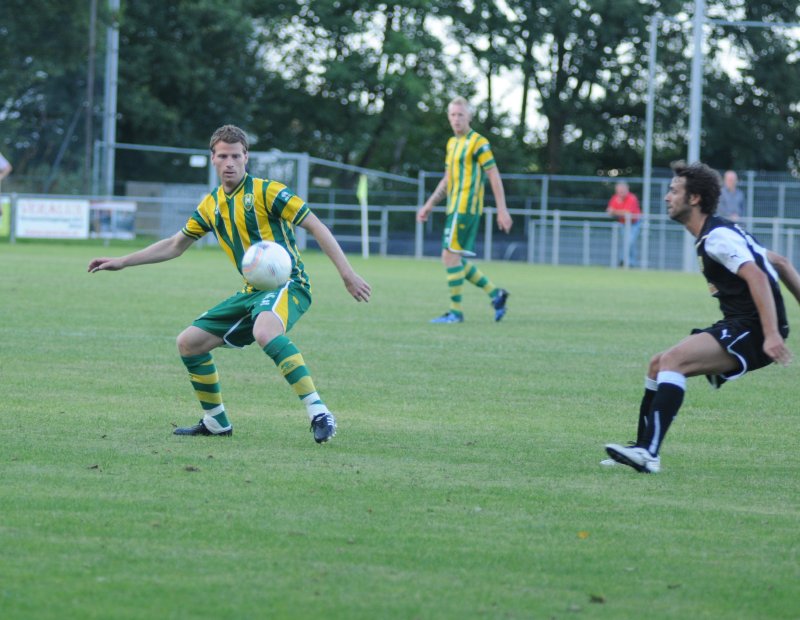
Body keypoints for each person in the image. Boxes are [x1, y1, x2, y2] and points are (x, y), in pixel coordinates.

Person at [88, 125, 371, 442]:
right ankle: (216, 421)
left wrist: (347, 274)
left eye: (236, 156)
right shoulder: (210, 205)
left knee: (265, 332)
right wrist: (122, 261)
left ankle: (319, 411)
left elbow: (316, 225)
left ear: (246, 157)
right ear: (212, 159)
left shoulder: (269, 191)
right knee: (189, 343)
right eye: (223, 156)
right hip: (251, 293)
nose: (230, 163)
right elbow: (174, 245)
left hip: (289, 285)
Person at [604, 161, 800, 473]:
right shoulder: (722, 232)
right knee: (659, 364)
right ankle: (640, 449)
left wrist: (773, 333)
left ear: (694, 199)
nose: (667, 197)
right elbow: (780, 262)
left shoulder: (718, 238)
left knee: (673, 362)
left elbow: (759, 277)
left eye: (674, 191)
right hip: (742, 324)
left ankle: (649, 455)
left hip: (754, 329)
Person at [416, 96, 513, 324]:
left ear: (469, 116)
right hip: (454, 208)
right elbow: (448, 180)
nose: (456, 119)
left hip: (466, 208)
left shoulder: (478, 142)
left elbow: (493, 174)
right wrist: (429, 205)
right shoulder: (452, 143)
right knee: (452, 258)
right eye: (452, 115)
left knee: (449, 257)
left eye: (460, 114)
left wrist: (502, 209)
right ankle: (495, 294)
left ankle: (456, 312)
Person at [605, 181, 642, 267]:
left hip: (634, 223)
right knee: (628, 243)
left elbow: (627, 212)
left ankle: (624, 261)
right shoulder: (615, 198)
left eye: (622, 191)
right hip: (623, 224)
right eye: (618, 191)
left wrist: (615, 212)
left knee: (629, 242)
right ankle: (630, 263)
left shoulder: (632, 198)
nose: (620, 193)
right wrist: (617, 212)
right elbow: (609, 211)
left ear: (627, 189)